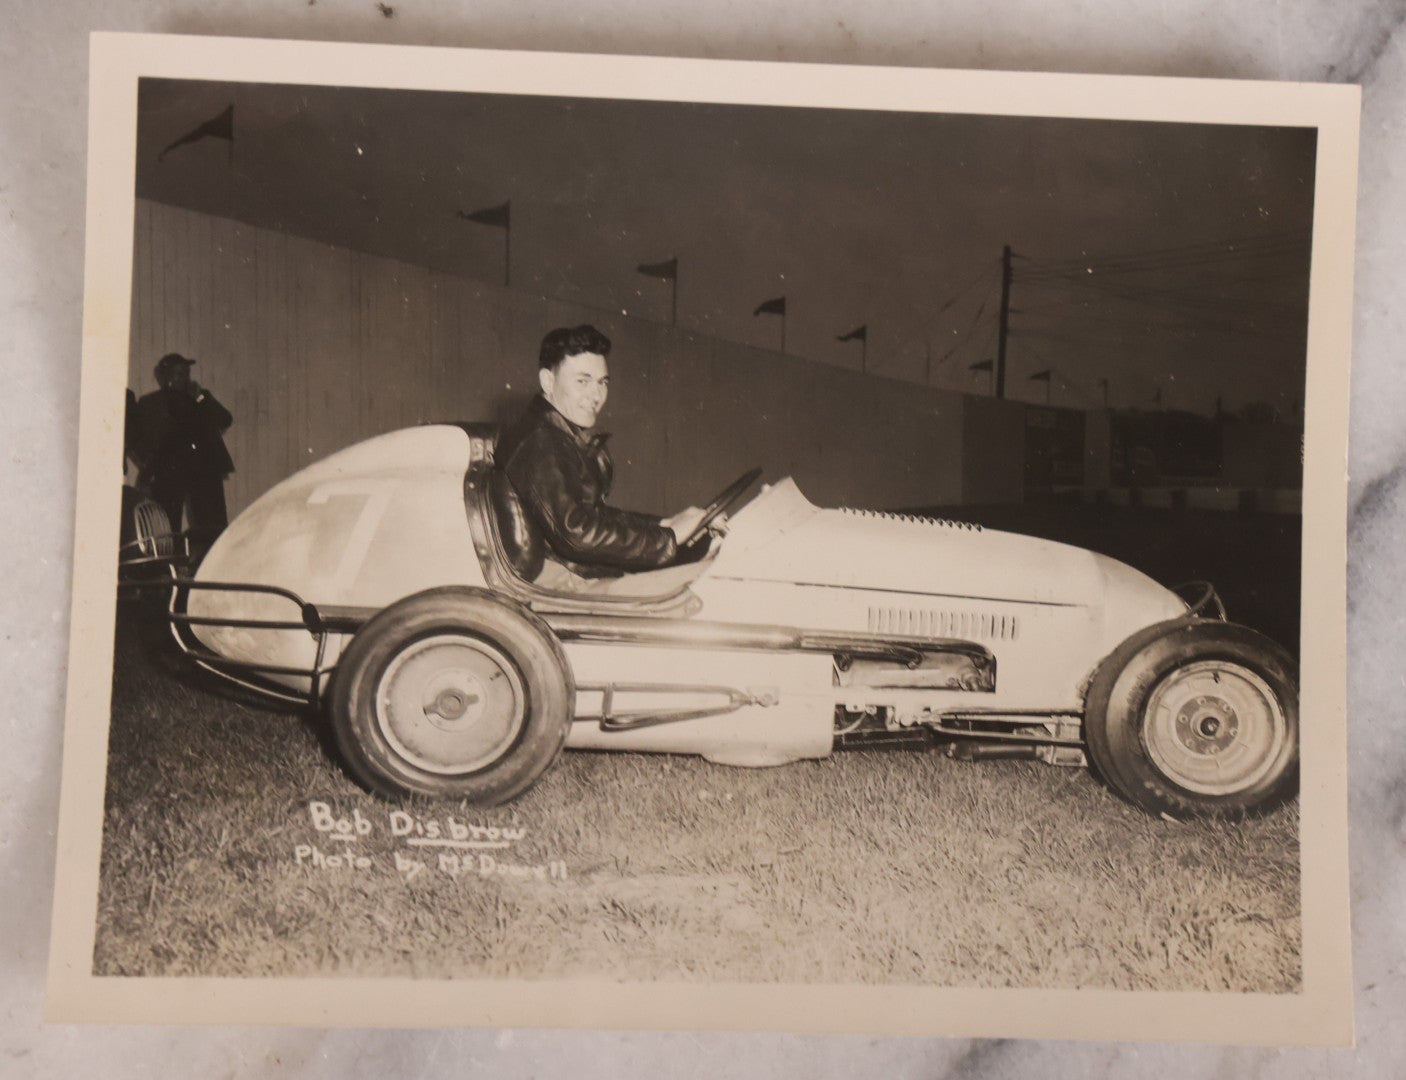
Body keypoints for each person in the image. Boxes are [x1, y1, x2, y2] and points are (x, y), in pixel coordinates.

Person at [495, 325, 711, 592]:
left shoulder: (555, 434)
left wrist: (662, 525)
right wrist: (667, 538)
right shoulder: (541, 440)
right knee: (705, 584)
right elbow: (576, 531)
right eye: (582, 381)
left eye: (602, 383)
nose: (596, 396)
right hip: (566, 584)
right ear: (548, 382)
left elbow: (593, 514)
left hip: (573, 573)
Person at [129, 352, 235, 558]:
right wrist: (147, 463)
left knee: (211, 524)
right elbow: (136, 437)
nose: (184, 378)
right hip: (169, 473)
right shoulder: (150, 402)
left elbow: (225, 419)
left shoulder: (200, 397)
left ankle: (209, 563)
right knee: (167, 526)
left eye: (186, 373)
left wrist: (201, 398)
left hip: (203, 471)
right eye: (178, 374)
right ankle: (169, 568)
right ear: (166, 377)